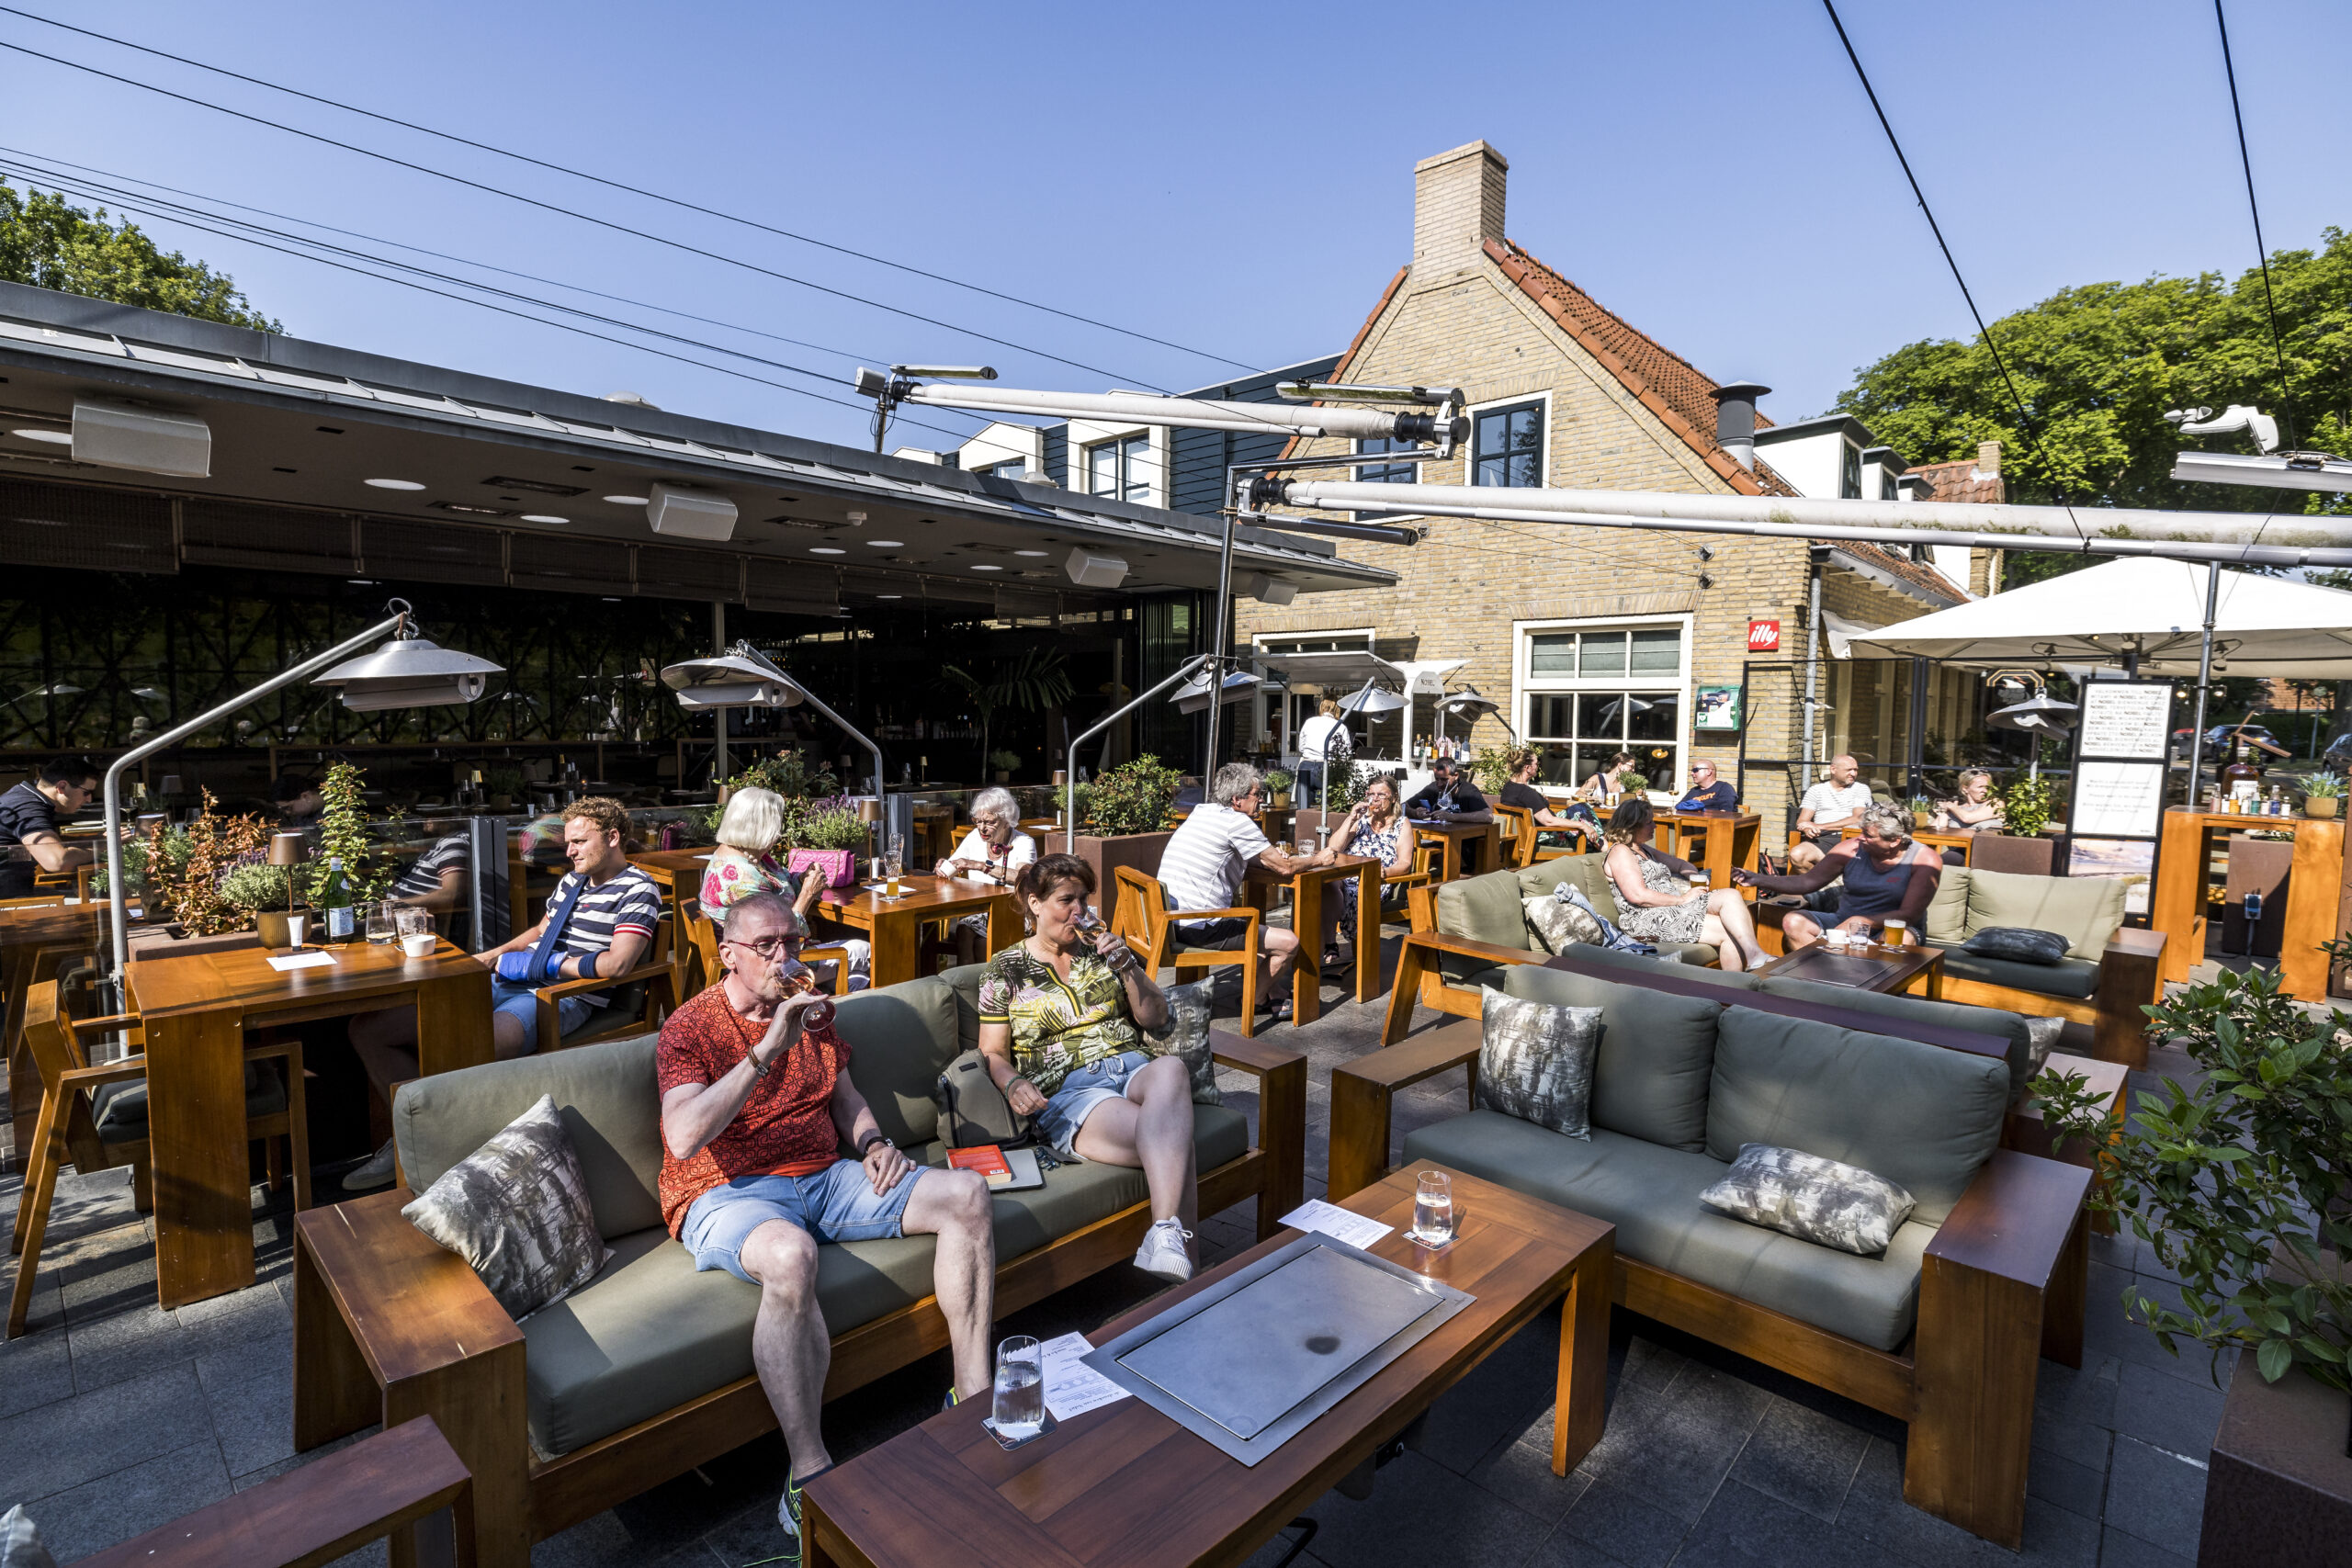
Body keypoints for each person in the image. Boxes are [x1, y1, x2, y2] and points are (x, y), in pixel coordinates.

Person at [659, 891, 994, 1556]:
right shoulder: (690, 1028)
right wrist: (765, 1047)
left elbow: (847, 1100)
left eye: (794, 940)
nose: (786, 957)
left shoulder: (815, 1014)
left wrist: (871, 1143)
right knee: (790, 1256)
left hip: (821, 1174)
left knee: (970, 1195)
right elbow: (685, 1133)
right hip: (727, 1190)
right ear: (728, 952)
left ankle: (974, 1401)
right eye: (767, 945)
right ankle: (809, 1472)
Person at [345, 795, 662, 1189]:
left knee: (470, 1045)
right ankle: (417, 1140)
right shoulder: (571, 881)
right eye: (567, 842)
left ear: (613, 837)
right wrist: (491, 956)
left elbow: (617, 965)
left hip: (565, 997)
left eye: (579, 842)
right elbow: (541, 932)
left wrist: (545, 965)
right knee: (370, 1030)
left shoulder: (638, 889)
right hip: (513, 979)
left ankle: (435, 1153)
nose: (569, 851)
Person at [980, 855, 1195, 1280]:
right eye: (1066, 900)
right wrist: (1013, 1083)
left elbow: (1154, 1018)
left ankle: (1165, 1233)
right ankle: (1189, 1275)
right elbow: (992, 1053)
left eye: (1084, 899)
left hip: (1131, 1065)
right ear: (1034, 903)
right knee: (1175, 1140)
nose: (1079, 911)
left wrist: (1127, 964)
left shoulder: (1104, 952)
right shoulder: (1005, 968)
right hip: (1072, 1090)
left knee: (1172, 1070)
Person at [1156, 762, 1324, 1021]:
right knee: (1288, 943)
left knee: (1255, 933)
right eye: (1258, 794)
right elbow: (1286, 866)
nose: (1262, 801)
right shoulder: (1236, 822)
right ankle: (1255, 999)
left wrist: (1266, 857)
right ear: (1237, 800)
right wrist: (1319, 859)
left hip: (1171, 919)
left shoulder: (1202, 811)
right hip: (1201, 926)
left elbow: (1247, 855)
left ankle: (1274, 991)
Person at [701, 787, 871, 989]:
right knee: (866, 951)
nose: (779, 833)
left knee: (857, 978)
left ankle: (831, 1015)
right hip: (770, 968)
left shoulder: (741, 855)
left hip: (765, 957)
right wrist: (807, 894)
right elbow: (778, 939)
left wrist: (801, 878)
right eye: (774, 826)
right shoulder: (743, 880)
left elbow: (779, 881)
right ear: (757, 826)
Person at [1736, 802, 1940, 950]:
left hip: (1893, 928)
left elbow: (1908, 915)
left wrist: (1863, 922)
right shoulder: (1850, 849)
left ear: (1895, 841)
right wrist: (1758, 878)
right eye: (1862, 831)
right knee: (1794, 921)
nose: (1860, 838)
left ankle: (1876, 997)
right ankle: (1822, 979)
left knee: (1901, 937)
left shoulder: (1924, 860)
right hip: (1843, 922)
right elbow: (1807, 881)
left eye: (1868, 836)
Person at [1600, 798, 1766, 970]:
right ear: (1632, 826)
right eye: (1649, 822)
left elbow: (1681, 865)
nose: (1655, 826)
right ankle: (1732, 992)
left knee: (1731, 895)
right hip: (1645, 917)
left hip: (1671, 908)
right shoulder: (1621, 851)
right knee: (1728, 930)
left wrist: (1694, 876)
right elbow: (1638, 896)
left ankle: (1755, 956)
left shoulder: (1643, 849)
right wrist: (1682, 900)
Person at [1316, 773, 1419, 964]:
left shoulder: (1401, 824)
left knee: (1327, 890)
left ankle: (1319, 945)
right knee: (1324, 885)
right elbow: (1334, 848)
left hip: (1374, 880)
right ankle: (1328, 943)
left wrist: (1384, 872)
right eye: (1371, 794)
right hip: (1345, 875)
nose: (1375, 799)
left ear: (1394, 797)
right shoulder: (1362, 820)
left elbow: (1405, 864)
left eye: (1381, 795)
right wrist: (1351, 818)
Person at [935, 786, 1036, 962]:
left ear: (1007, 821)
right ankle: (968, 984)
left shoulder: (1023, 842)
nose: (982, 828)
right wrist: (944, 866)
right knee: (965, 929)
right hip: (980, 911)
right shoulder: (975, 836)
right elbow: (955, 863)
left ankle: (979, 985)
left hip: (1013, 912)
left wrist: (981, 866)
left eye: (990, 822)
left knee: (976, 939)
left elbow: (1024, 877)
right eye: (978, 821)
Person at [0, 756, 103, 900]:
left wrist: (95, 839)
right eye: (86, 792)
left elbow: (51, 844)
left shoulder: (24, 797)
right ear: (61, 787)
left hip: (18, 892)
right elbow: (57, 862)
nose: (89, 799)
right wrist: (106, 846)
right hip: (9, 904)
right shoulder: (27, 807)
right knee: (105, 904)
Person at [1497, 747, 1592, 851]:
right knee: (1584, 817)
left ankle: (1602, 845)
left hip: (1521, 837)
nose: (1538, 767)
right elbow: (1549, 821)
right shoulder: (1526, 793)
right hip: (1540, 837)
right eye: (1536, 764)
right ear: (1528, 768)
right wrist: (1581, 826)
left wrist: (1540, 800)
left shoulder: (1509, 787)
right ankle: (1602, 849)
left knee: (1581, 808)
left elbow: (1527, 803)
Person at [1791, 754, 1874, 871]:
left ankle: (1829, 881)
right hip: (1823, 839)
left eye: (1855, 770)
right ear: (1833, 769)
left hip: (1852, 839)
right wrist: (1808, 829)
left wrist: (1820, 826)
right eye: (1849, 770)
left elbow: (1858, 818)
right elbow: (1802, 821)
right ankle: (1827, 886)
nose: (1853, 774)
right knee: (1797, 855)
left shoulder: (1861, 789)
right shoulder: (1816, 790)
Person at [1404, 757, 1493, 823]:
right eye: (1437, 779)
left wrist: (1452, 817)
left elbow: (1488, 816)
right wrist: (1414, 813)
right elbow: (1401, 807)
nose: (1439, 784)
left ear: (1456, 776)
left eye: (1444, 780)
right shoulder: (1432, 789)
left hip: (1463, 841)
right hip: (1438, 841)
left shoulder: (1469, 791)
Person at [1295, 698, 1351, 799]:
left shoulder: (1309, 722)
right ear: (1337, 710)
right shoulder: (1341, 727)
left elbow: (1301, 748)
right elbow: (1345, 754)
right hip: (1328, 766)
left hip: (1306, 765)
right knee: (1326, 806)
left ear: (1321, 707)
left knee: (1303, 807)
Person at [1933, 768, 2004, 833]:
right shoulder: (1955, 809)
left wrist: (1950, 805)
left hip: (1984, 846)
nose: (1985, 791)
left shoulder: (1995, 803)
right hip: (1959, 846)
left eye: (1988, 787)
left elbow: (1968, 818)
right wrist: (1943, 813)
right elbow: (1933, 832)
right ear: (1965, 789)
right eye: (1980, 787)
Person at [1675, 760, 1740, 814]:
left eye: (1695, 770)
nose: (1692, 773)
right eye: (1692, 771)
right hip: (1694, 825)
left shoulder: (1724, 787)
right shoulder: (1694, 790)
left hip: (1715, 826)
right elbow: (1679, 807)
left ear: (1709, 772)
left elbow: (1725, 812)